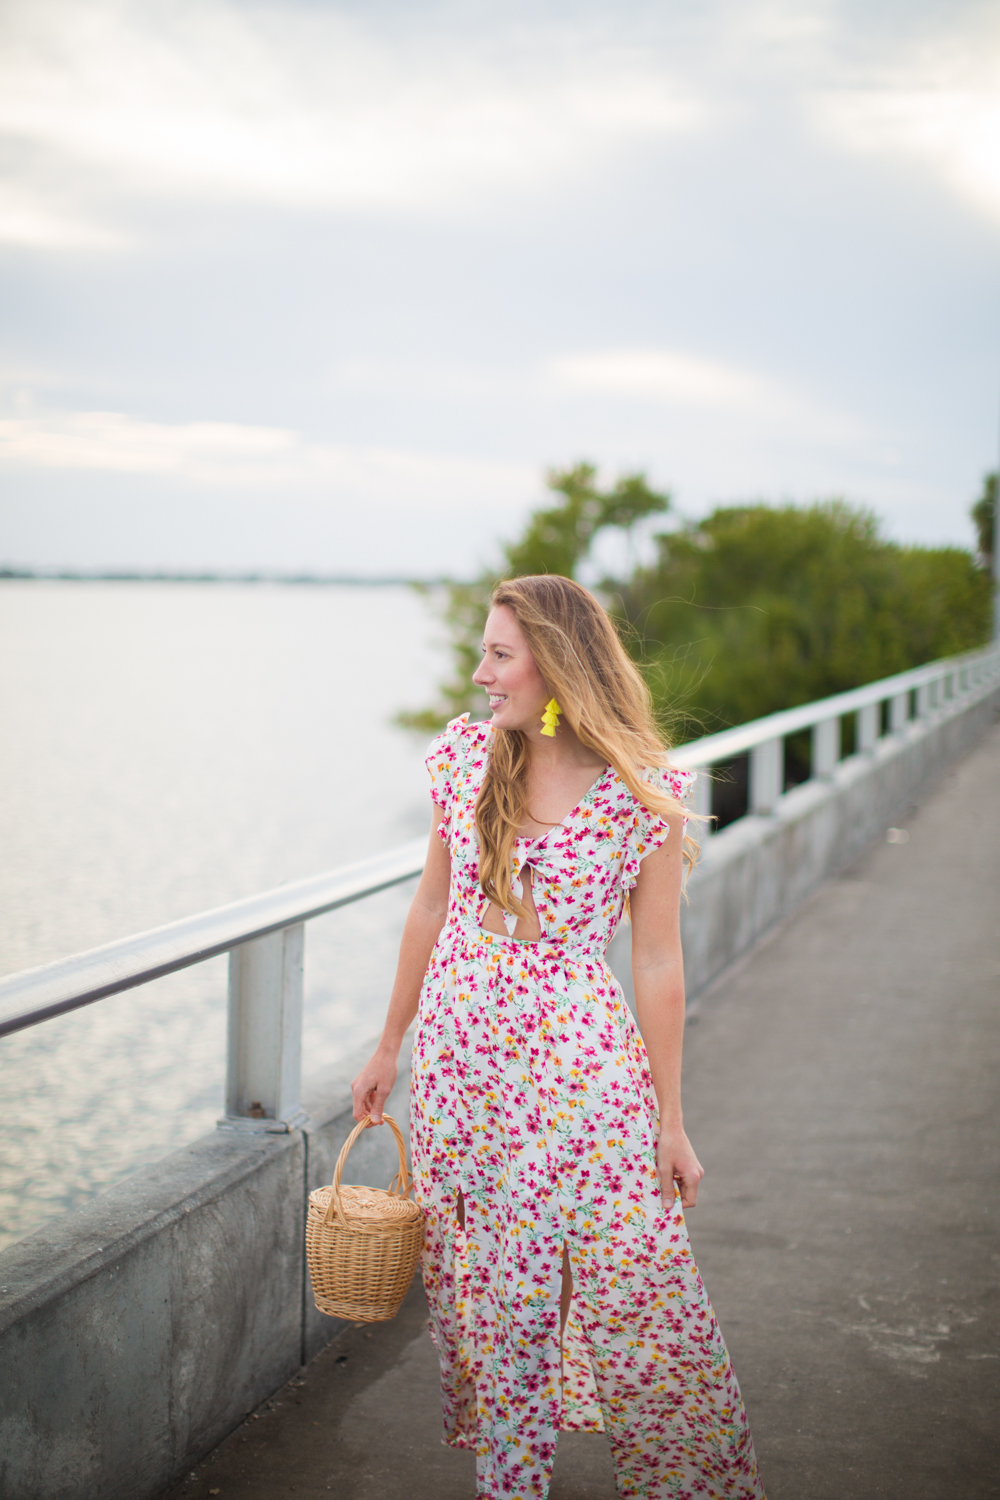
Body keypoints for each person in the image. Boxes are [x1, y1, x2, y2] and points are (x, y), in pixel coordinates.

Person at [352, 574, 765, 1500]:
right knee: (494, 1288)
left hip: (577, 1071)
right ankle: (512, 1478)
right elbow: (429, 907)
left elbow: (657, 962)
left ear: (557, 663)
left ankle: (681, 1479)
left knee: (622, 1275)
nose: (480, 672)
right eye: (484, 652)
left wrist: (671, 1120)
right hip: (463, 1067)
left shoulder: (641, 793)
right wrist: (389, 1046)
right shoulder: (466, 760)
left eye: (500, 654)